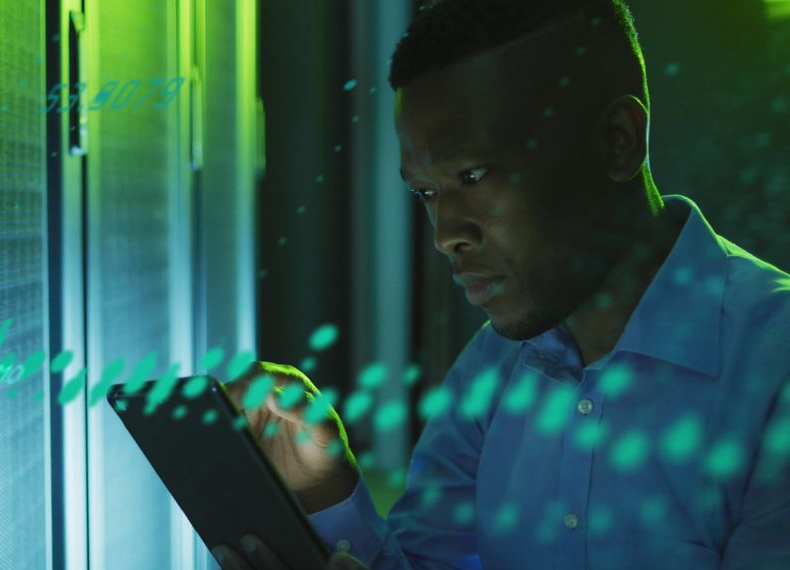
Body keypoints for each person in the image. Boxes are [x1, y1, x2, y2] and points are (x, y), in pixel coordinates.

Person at [213, 0, 790, 567]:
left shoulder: (775, 368)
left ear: (617, 140)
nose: (446, 235)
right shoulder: (492, 368)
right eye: (427, 192)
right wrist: (326, 491)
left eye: (474, 175)